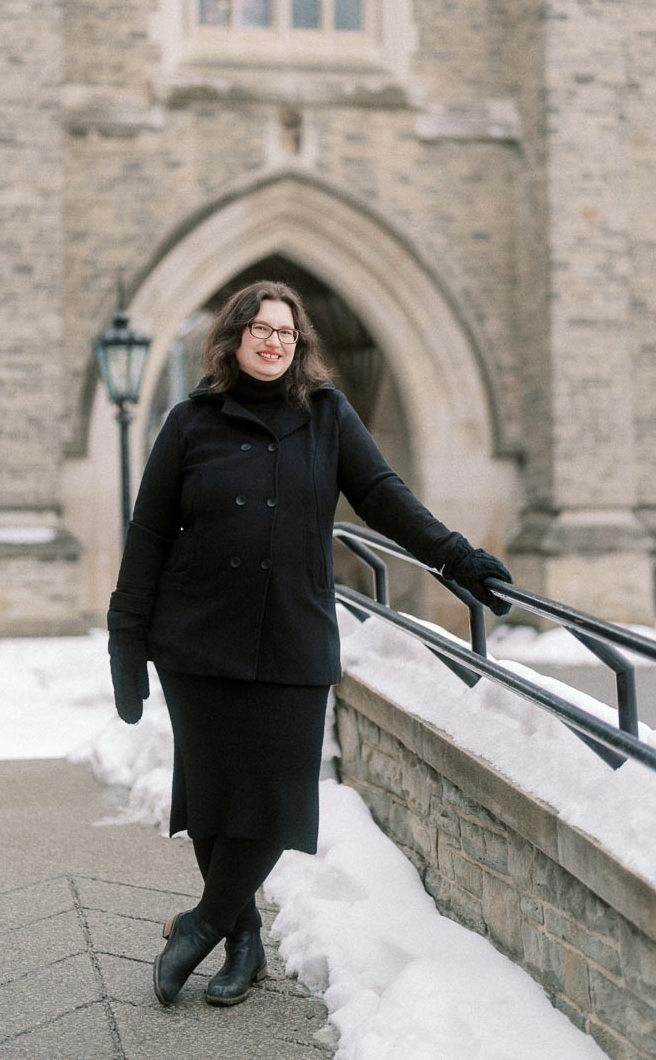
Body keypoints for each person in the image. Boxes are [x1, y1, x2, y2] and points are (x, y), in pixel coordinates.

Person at [107, 280, 512, 1009]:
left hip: (291, 635)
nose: (272, 341)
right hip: (196, 639)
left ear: (300, 346)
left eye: (286, 333)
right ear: (233, 337)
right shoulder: (189, 422)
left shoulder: (326, 416)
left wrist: (454, 557)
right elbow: (148, 536)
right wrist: (126, 645)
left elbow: (383, 495)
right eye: (259, 329)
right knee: (215, 797)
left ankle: (200, 925)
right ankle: (244, 942)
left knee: (276, 797)